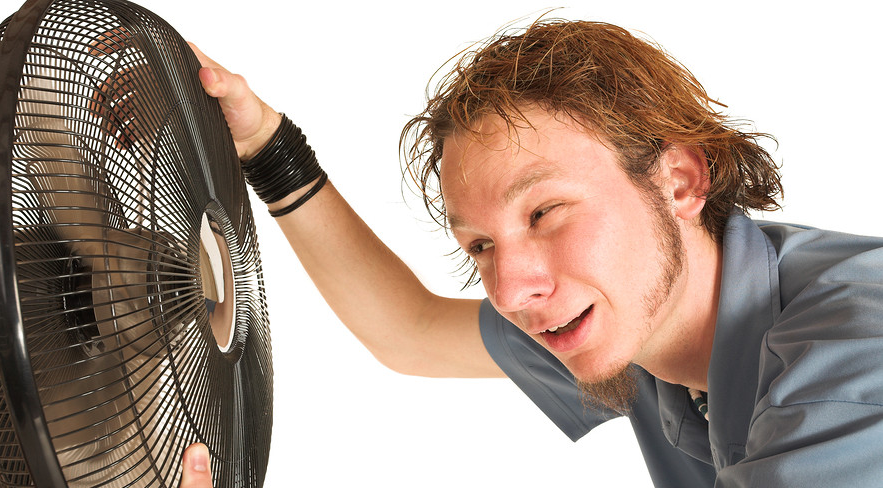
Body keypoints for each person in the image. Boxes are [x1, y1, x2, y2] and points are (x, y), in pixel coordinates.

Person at [178, 19, 883, 488]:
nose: (513, 289)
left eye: (544, 213)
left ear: (679, 181)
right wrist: (266, 147)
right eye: (481, 245)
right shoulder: (641, 318)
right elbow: (410, 332)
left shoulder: (847, 365)